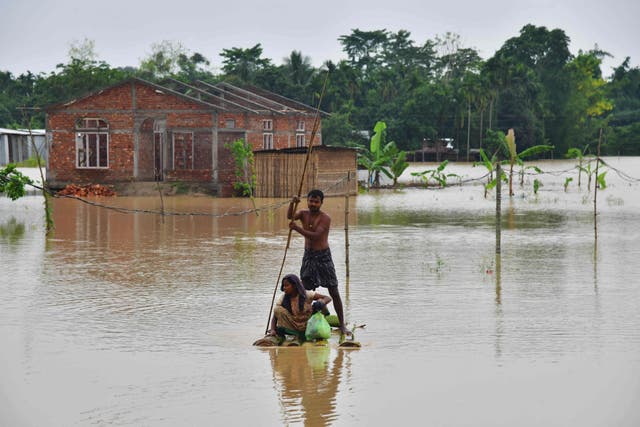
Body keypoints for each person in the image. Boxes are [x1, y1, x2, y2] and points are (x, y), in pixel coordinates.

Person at [288, 189, 351, 336]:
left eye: (316, 202)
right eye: (311, 201)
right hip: (308, 256)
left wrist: (297, 228)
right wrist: (292, 203)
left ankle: (342, 325)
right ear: (307, 201)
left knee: (333, 291)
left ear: (321, 203)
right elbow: (290, 216)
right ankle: (301, 322)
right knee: (302, 290)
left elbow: (316, 236)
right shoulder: (303, 213)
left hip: (323, 257)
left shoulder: (325, 218)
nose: (313, 204)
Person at [267, 273, 332, 341]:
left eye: (287, 285)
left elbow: (328, 298)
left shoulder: (306, 294)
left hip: (308, 324)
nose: (284, 288)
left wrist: (321, 302)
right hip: (294, 325)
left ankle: (320, 326)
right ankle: (296, 334)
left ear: (294, 286)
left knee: (320, 302)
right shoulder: (283, 298)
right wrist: (272, 329)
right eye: (283, 286)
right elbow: (275, 316)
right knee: (277, 309)